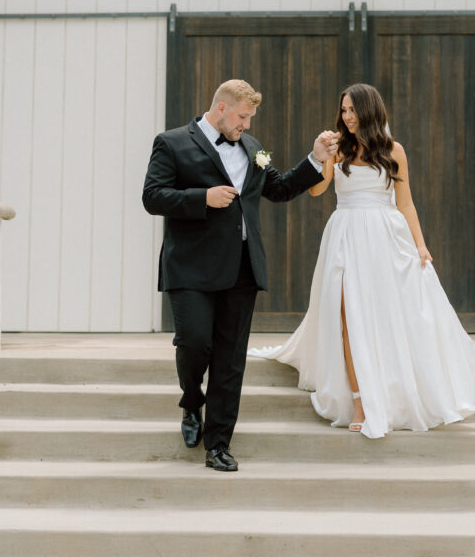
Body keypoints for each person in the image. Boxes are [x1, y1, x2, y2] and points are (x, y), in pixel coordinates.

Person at [249, 83, 475, 438]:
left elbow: (406, 203)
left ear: (370, 111)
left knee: (390, 315)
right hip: (345, 235)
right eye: (343, 110)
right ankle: (358, 400)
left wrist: (421, 244)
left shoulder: (393, 150)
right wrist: (321, 156)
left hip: (386, 237)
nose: (347, 117)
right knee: (346, 317)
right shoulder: (338, 149)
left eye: (352, 110)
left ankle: (396, 390)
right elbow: (318, 189)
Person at [142, 78, 338, 471]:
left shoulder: (254, 148)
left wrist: (314, 159)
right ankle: (191, 400)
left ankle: (218, 444)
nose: (247, 125)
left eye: (250, 118)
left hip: (242, 268)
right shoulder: (172, 141)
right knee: (195, 342)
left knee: (231, 361)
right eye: (243, 117)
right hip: (191, 267)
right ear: (221, 108)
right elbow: (153, 196)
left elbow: (279, 187)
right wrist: (203, 198)